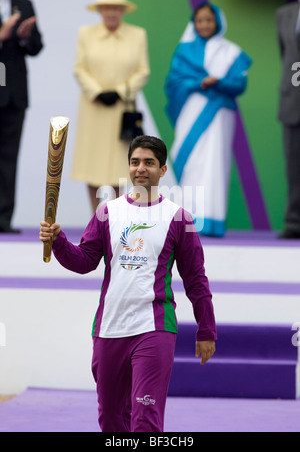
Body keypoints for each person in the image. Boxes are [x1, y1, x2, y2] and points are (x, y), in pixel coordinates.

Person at [39, 135, 217, 433]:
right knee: (111, 420)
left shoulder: (179, 218)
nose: (140, 169)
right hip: (110, 328)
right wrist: (58, 242)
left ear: (162, 170)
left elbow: (196, 280)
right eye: (135, 162)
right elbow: (84, 261)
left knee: (145, 417)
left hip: (154, 328)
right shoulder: (107, 212)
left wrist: (206, 329)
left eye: (149, 163)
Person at [165, 2, 252, 238]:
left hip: (219, 114)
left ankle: (210, 220)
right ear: (194, 23)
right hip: (190, 110)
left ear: (218, 22)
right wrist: (198, 83)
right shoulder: (184, 51)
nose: (204, 24)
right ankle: (184, 219)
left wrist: (218, 83)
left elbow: (239, 84)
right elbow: (174, 83)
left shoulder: (231, 51)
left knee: (214, 162)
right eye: (200, 20)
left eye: (209, 20)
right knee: (189, 160)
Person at [71, 0, 150, 213]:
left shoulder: (138, 35)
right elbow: (80, 68)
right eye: (107, 7)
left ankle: (116, 214)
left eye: (116, 8)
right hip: (93, 107)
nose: (111, 12)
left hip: (121, 109)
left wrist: (120, 90)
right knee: (91, 161)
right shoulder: (86, 33)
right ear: (100, 10)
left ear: (123, 10)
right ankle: (95, 216)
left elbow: (143, 71)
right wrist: (97, 91)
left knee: (119, 163)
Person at [0, 0, 43, 233]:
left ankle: (3, 219)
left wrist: (25, 37)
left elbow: (37, 47)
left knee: (8, 159)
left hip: (14, 94)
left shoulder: (24, 4)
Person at [276, 0, 300, 239]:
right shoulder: (283, 15)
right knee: (293, 166)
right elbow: (286, 56)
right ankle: (294, 223)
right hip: (292, 101)